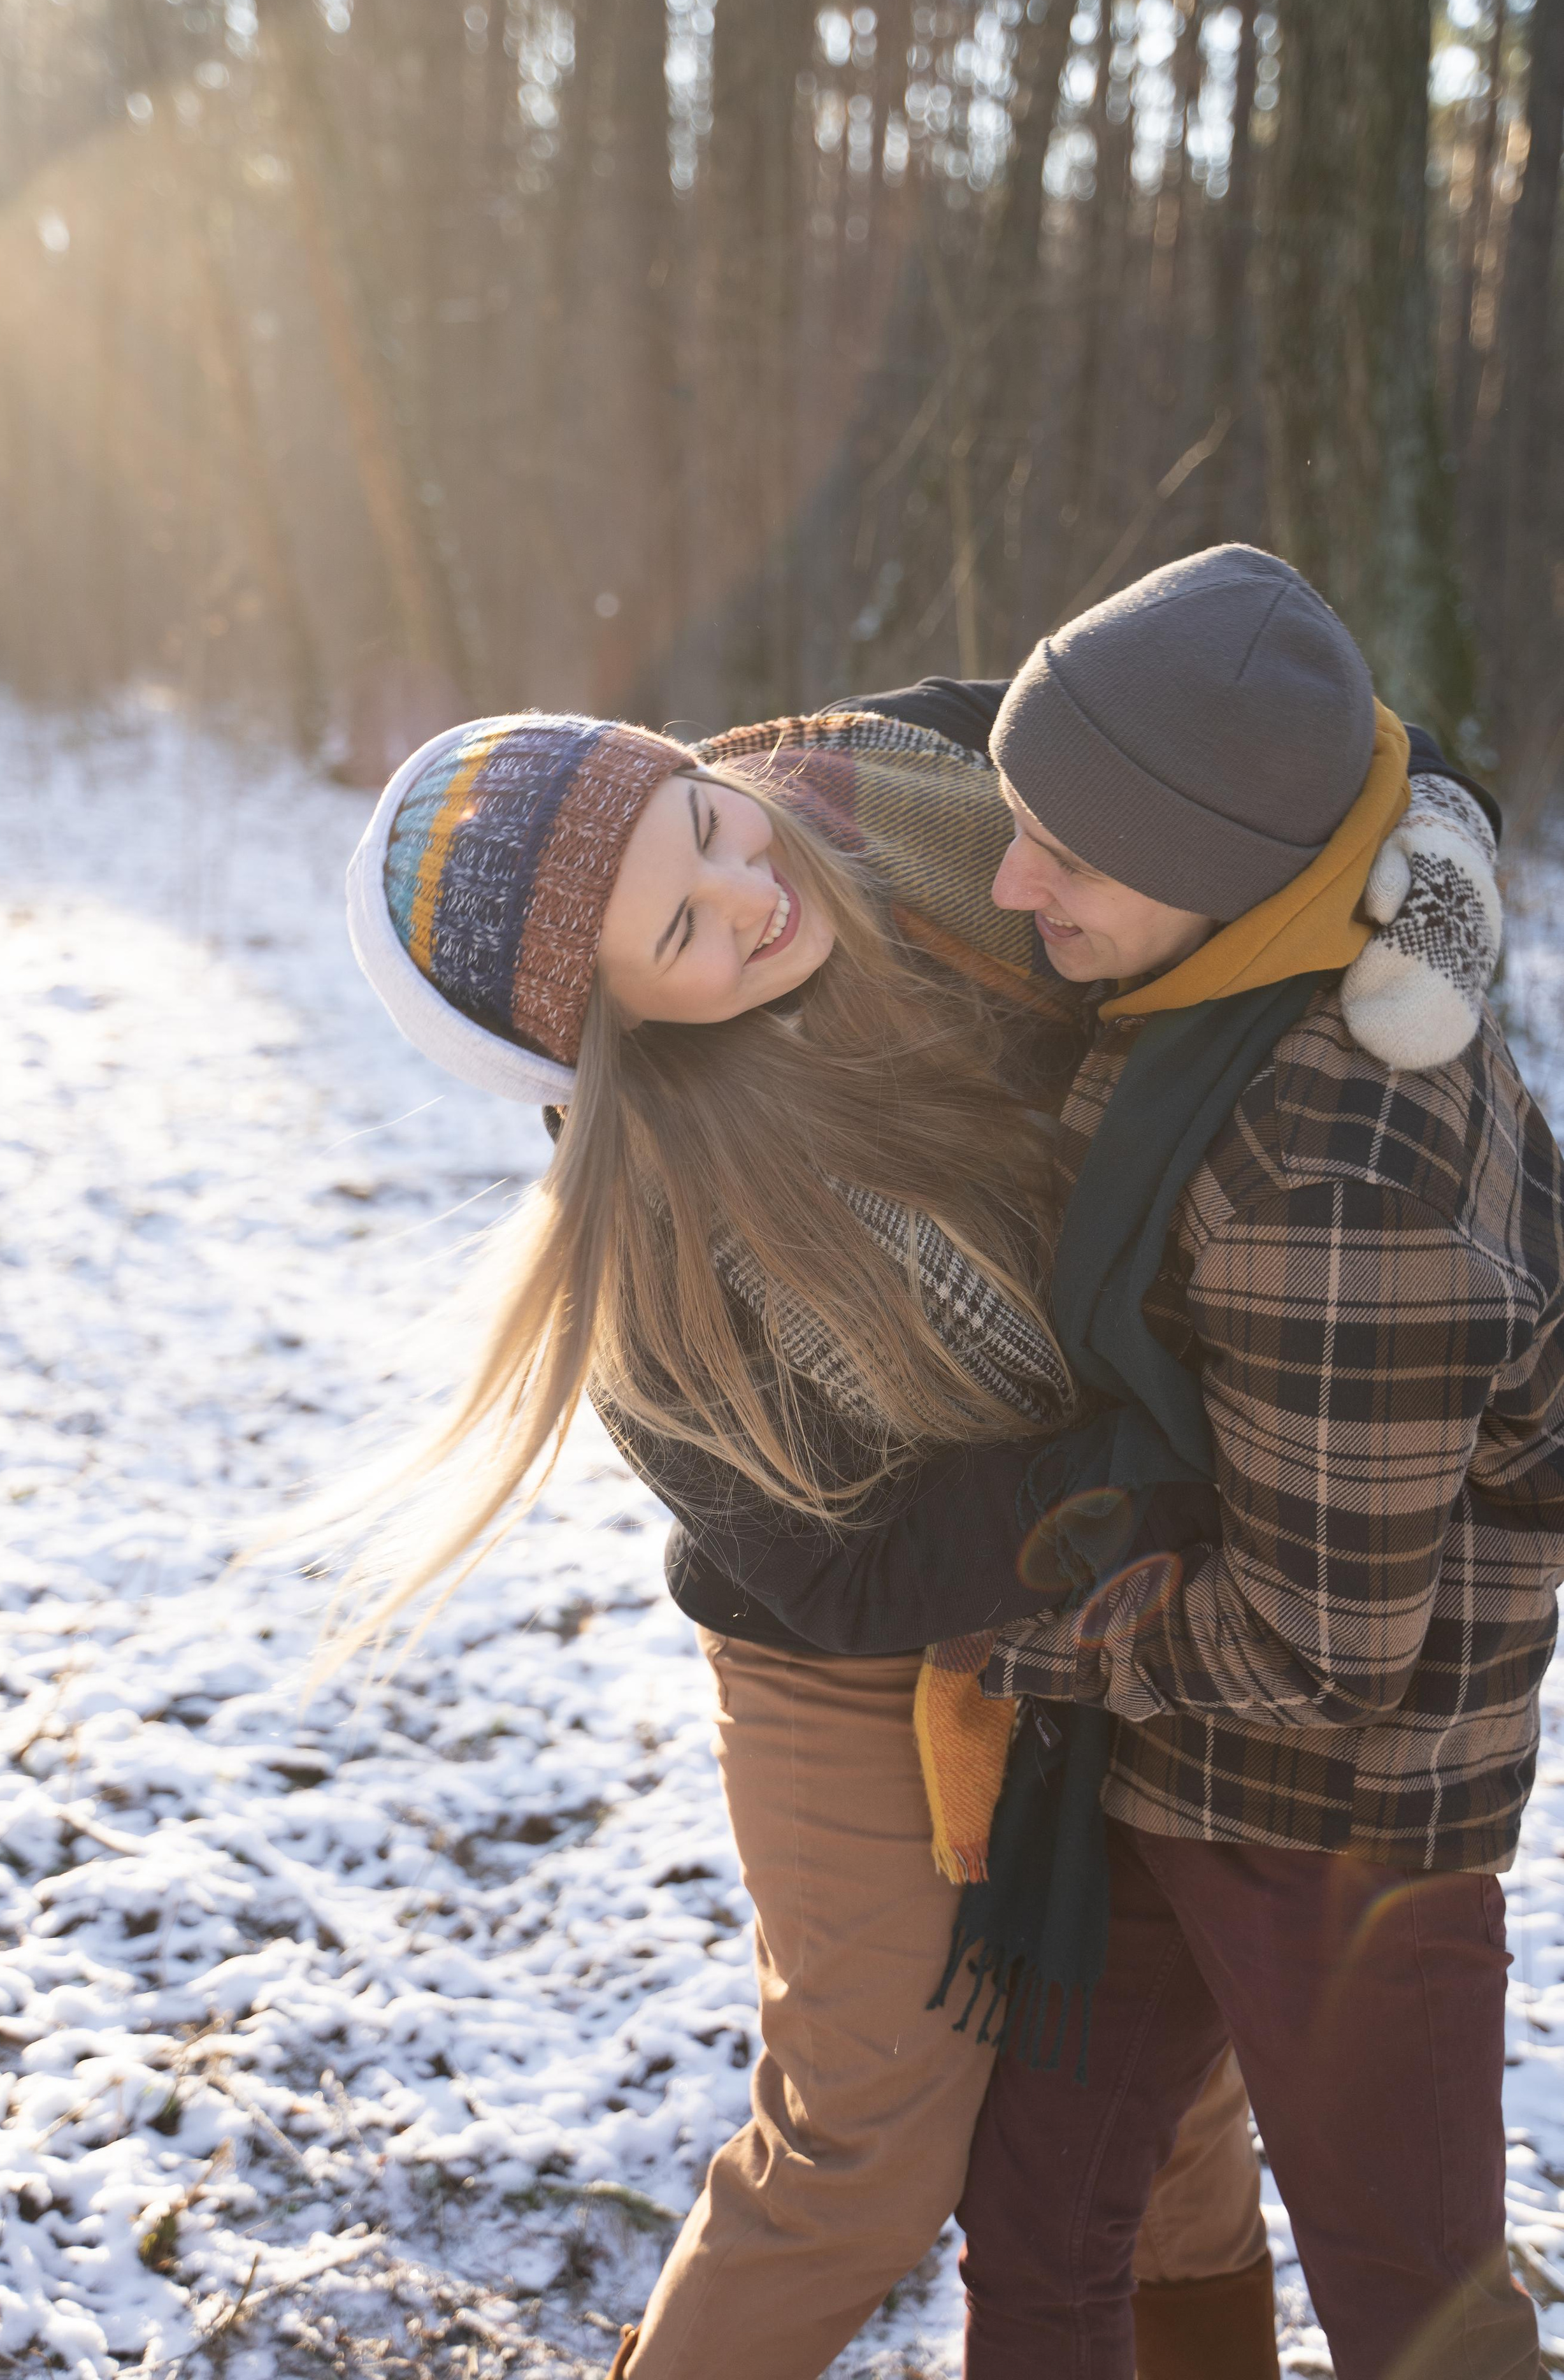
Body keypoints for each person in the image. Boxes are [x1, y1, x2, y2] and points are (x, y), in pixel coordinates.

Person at [341, 654, 1503, 2379]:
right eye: (682, 933)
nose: (751, 893)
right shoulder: (660, 1274)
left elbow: (1295, 759)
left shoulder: (933, 773)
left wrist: (1435, 904)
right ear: (612, 1045)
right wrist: (1170, 1456)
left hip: (1118, 1587)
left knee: (1167, 2120)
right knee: (868, 2146)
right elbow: (845, 1565)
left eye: (711, 825)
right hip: (852, 1630)